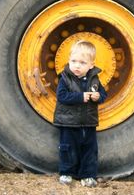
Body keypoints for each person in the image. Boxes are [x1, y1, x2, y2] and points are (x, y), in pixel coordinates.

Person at [53, 40, 107, 187]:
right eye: (73, 61)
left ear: (91, 65)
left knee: (89, 150)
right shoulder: (65, 78)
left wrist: (98, 97)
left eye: (82, 63)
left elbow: (103, 94)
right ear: (69, 60)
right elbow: (62, 96)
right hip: (68, 122)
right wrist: (80, 97)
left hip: (88, 122)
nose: (77, 65)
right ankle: (66, 172)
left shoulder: (94, 79)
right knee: (67, 148)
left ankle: (88, 175)